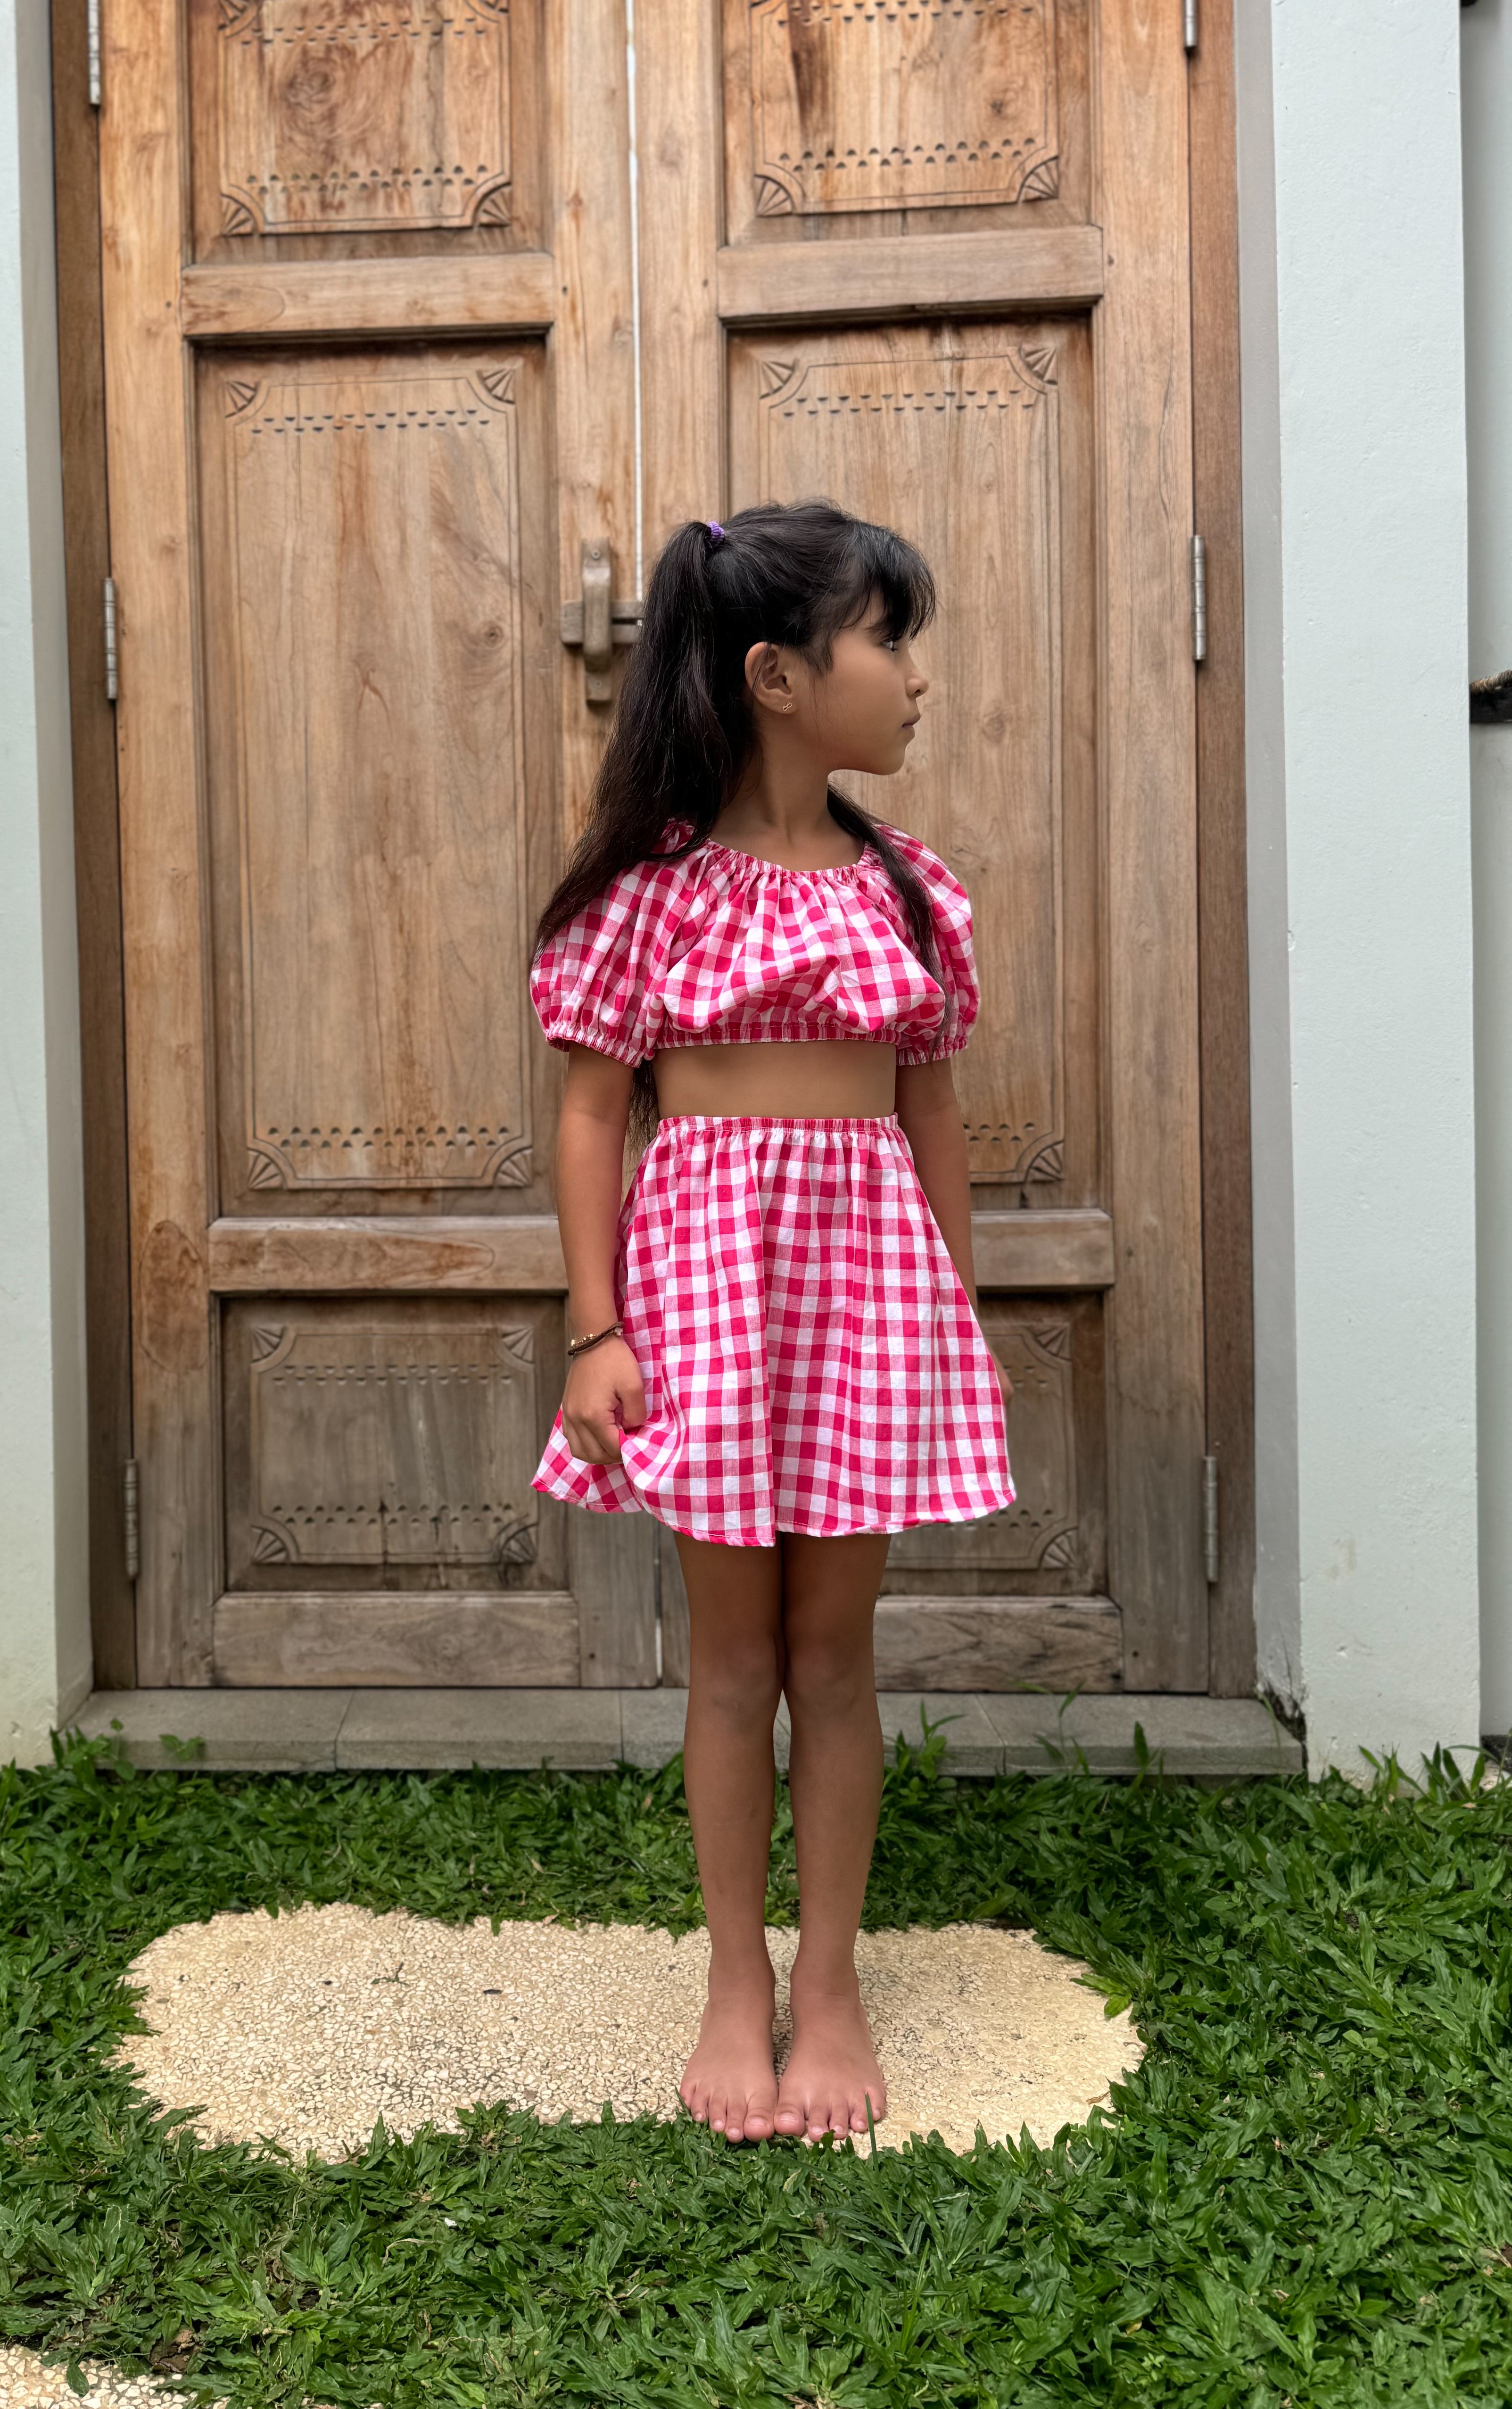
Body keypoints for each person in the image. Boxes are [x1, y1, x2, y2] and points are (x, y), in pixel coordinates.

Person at [529, 502, 1012, 2146]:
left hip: (870, 1306)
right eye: (892, 639)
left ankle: (831, 1982)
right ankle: (733, 1979)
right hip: (710, 1299)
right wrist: (596, 1329)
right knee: (733, 1659)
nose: (916, 679)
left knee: (835, 1654)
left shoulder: (910, 891)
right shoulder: (652, 893)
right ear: (779, 676)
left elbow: (931, 1116)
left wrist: (947, 1308)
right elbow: (596, 1116)